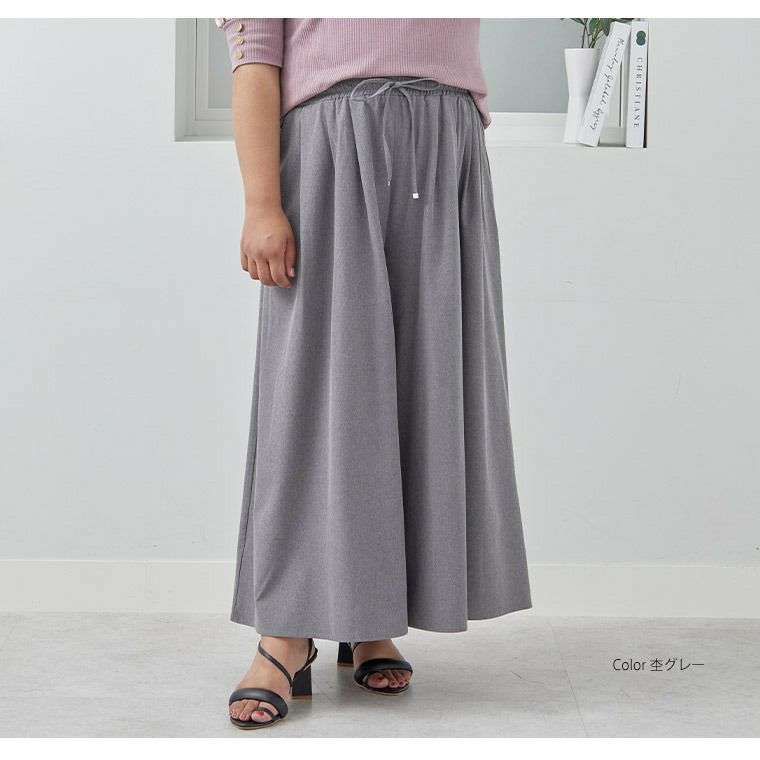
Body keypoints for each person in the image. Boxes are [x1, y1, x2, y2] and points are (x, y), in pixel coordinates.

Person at [217, 18, 532, 730]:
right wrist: (262, 203)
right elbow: (255, 62)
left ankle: (371, 614)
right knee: (322, 399)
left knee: (426, 392)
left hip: (445, 152)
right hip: (331, 149)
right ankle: (285, 631)